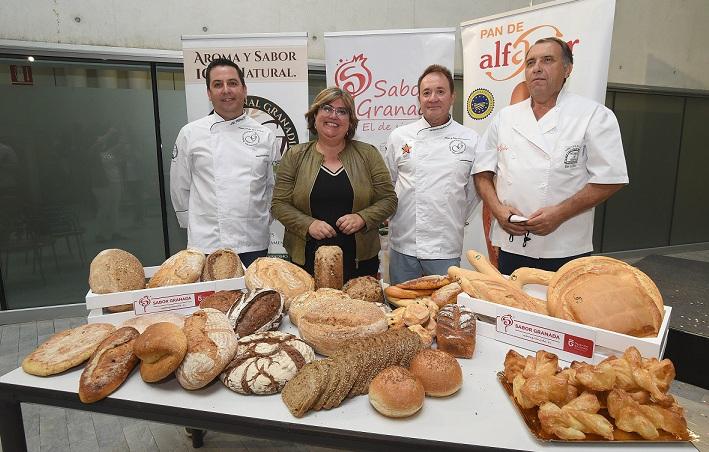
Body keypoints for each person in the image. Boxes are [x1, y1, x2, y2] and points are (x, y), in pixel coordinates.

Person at [473, 37, 629, 275]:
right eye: (530, 62)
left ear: (567, 69)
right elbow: (482, 172)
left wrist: (560, 214)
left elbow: (611, 178)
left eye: (547, 60)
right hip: (511, 242)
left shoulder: (593, 115)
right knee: (512, 309)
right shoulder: (505, 117)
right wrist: (497, 210)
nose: (536, 68)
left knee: (560, 309)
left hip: (565, 246)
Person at [271, 87, 397, 281]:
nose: (334, 116)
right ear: (315, 115)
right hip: (305, 262)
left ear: (350, 121)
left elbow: (389, 200)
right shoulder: (295, 156)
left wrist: (362, 218)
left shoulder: (368, 154)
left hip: (360, 263)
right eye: (327, 108)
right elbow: (279, 204)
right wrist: (308, 224)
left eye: (342, 111)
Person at [170, 58, 279, 267]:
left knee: (254, 298)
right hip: (207, 242)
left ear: (244, 89)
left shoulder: (265, 135)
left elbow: (272, 187)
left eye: (232, 83)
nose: (226, 90)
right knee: (212, 300)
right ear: (209, 93)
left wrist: (262, 219)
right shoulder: (190, 133)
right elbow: (179, 185)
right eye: (218, 84)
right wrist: (191, 222)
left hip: (253, 241)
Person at [385, 64, 480, 284]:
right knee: (400, 310)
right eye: (426, 93)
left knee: (444, 312)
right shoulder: (399, 137)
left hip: (444, 246)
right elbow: (389, 184)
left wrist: (451, 217)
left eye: (440, 91)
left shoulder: (470, 139)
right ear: (419, 98)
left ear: (452, 96)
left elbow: (473, 193)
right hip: (403, 244)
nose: (433, 98)